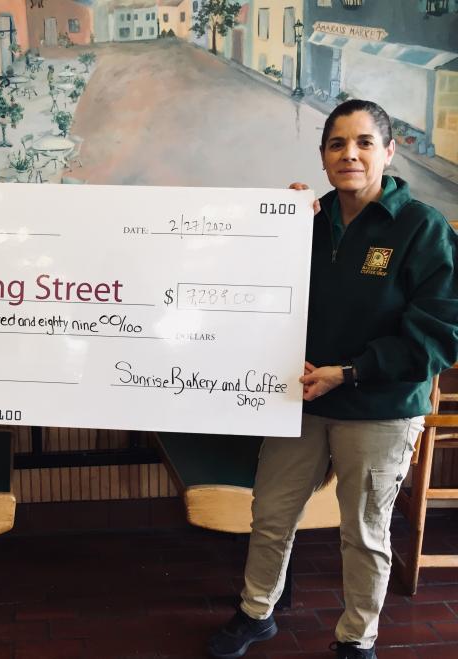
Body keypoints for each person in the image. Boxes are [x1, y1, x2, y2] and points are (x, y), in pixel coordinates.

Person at [208, 99, 458, 659]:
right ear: (323, 158)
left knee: (365, 533)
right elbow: (249, 289)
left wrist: (350, 372)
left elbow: (442, 335)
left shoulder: (423, 228)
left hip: (379, 407)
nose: (350, 154)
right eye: (337, 144)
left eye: (365, 142)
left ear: (389, 152)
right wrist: (274, 226)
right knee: (271, 515)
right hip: (300, 400)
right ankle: (256, 612)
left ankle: (356, 639)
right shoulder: (307, 222)